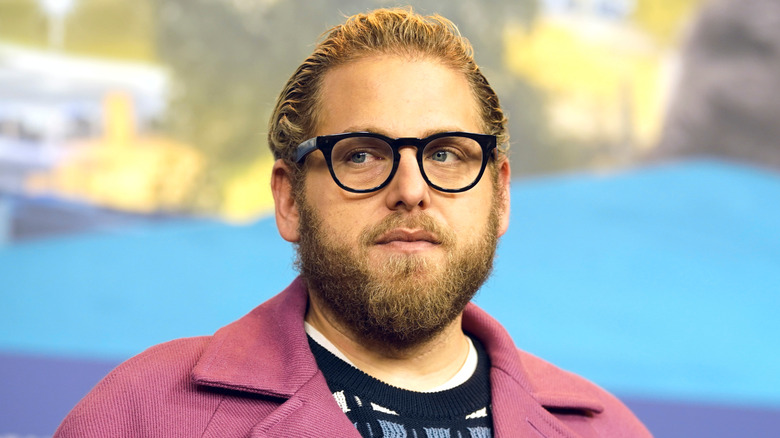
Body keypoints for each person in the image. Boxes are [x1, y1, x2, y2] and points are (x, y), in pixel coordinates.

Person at [54, 8, 651, 437]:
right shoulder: (140, 415)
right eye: (362, 155)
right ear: (288, 201)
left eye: (446, 153)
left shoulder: (609, 429)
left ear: (500, 200)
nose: (411, 191)